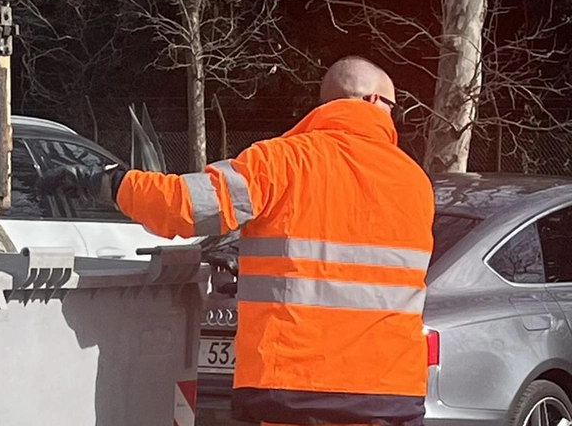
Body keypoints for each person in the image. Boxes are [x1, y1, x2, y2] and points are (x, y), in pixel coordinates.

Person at [38, 57, 434, 426]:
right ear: (373, 100)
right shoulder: (416, 183)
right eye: (393, 106)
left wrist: (108, 182)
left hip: (294, 389)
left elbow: (185, 206)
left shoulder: (281, 162)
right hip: (390, 394)